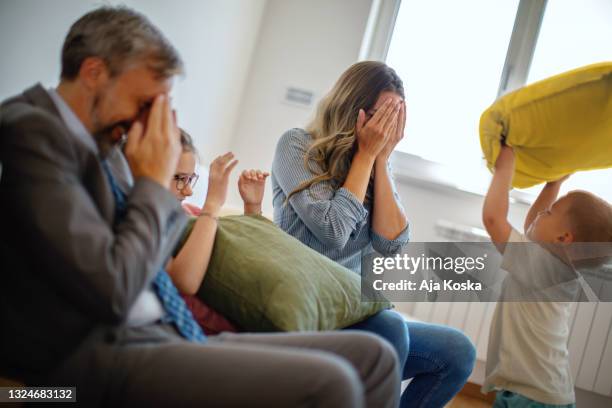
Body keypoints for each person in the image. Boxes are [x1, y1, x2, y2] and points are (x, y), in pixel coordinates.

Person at [0, 7, 400, 407]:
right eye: (144, 101)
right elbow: (115, 290)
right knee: (331, 382)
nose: (150, 119)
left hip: (163, 327)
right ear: (93, 73)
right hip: (95, 353)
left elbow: (392, 244)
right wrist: (154, 183)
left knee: (376, 358)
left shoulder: (103, 143)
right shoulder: (31, 131)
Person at [272, 61, 476, 407]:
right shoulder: (296, 146)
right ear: (353, 108)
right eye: (381, 117)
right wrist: (367, 156)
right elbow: (333, 231)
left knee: (458, 351)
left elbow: (392, 243)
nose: (384, 130)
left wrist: (380, 160)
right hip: (309, 306)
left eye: (393, 121)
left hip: (354, 310)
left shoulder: (375, 161)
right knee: (391, 328)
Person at [481, 144, 612, 407]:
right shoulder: (556, 268)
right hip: (540, 392)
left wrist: (505, 166)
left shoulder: (542, 267)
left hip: (532, 397)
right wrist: (554, 184)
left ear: (563, 238)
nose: (543, 211)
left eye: (550, 212)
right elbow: (533, 226)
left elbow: (494, 220)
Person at [165, 129, 269, 334]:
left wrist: (253, 208)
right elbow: (185, 282)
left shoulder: (191, 213)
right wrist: (212, 203)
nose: (188, 191)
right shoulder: (159, 223)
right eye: (179, 178)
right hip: (218, 333)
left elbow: (243, 256)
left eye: (190, 179)